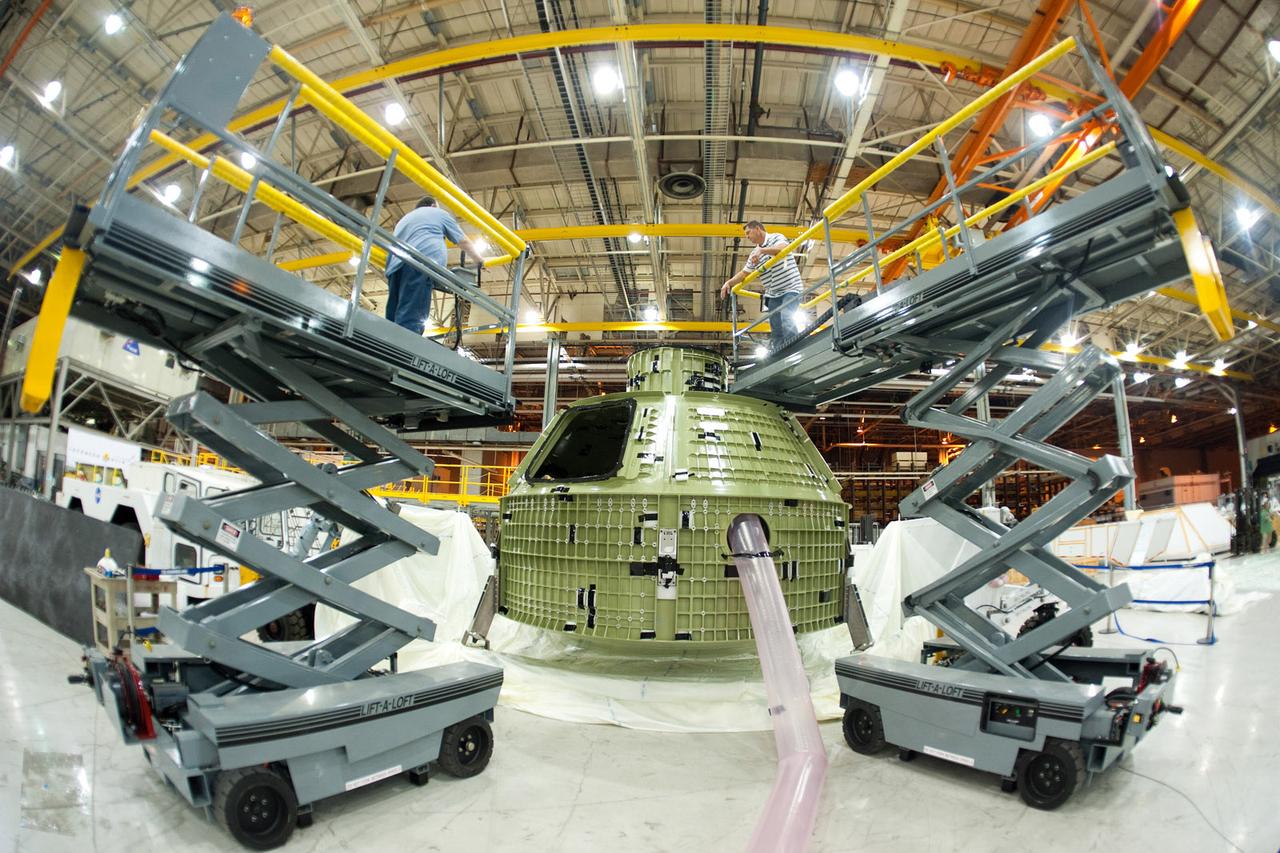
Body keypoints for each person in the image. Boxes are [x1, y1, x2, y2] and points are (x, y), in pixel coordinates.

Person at [384, 197, 485, 334]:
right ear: (433, 205)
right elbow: (463, 242)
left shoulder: (404, 220)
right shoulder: (438, 213)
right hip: (420, 264)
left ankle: (386, 346)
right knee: (411, 318)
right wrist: (479, 260)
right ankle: (404, 351)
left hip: (394, 268)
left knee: (393, 317)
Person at [719, 220, 805, 352]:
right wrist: (728, 283)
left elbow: (784, 249)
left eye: (748, 233)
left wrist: (763, 251)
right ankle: (779, 354)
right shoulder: (754, 253)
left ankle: (795, 350)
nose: (747, 236)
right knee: (775, 327)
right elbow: (744, 273)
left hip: (791, 288)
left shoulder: (776, 237)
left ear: (758, 229)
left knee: (787, 317)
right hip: (773, 293)